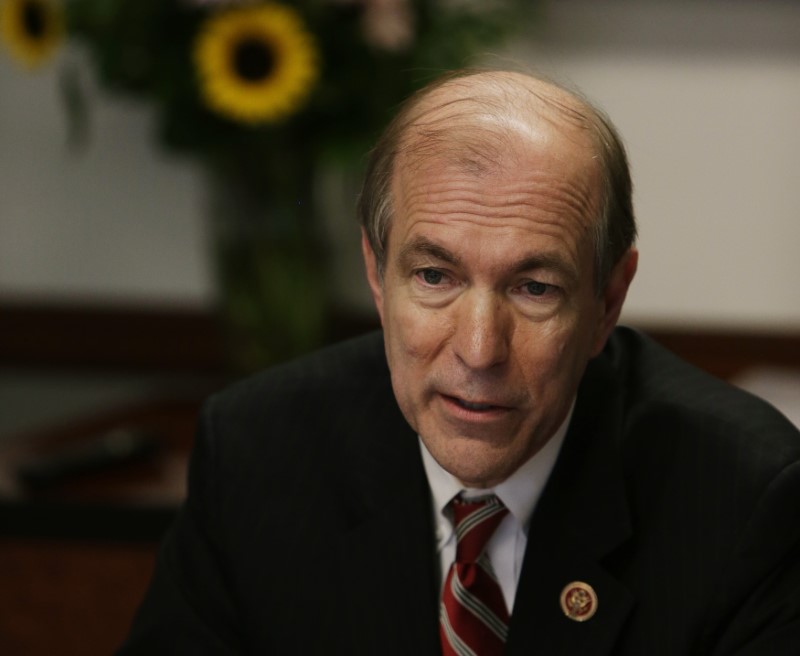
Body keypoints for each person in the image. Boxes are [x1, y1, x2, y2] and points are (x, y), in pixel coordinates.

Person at [118, 69, 800, 655]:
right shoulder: (256, 451)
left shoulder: (741, 498)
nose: (478, 350)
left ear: (607, 301)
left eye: (535, 288)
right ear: (376, 276)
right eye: (435, 277)